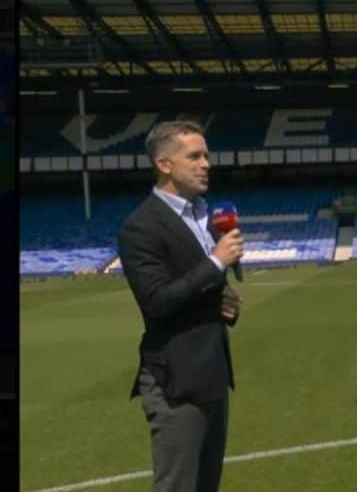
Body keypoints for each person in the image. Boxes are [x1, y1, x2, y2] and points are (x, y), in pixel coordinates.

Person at [117, 120, 244, 492]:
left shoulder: (205, 216)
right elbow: (156, 301)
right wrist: (216, 262)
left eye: (206, 155)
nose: (206, 163)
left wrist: (225, 301)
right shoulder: (140, 227)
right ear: (164, 164)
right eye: (194, 156)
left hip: (212, 374)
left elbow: (197, 289)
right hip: (174, 380)